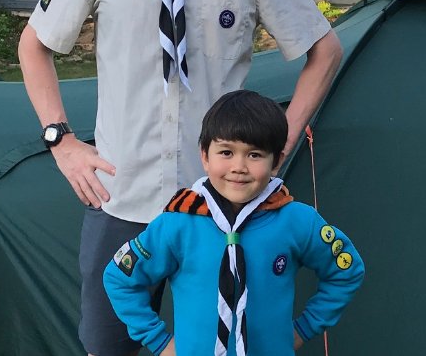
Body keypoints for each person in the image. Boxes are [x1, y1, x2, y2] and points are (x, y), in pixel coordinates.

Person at [17, 0, 343, 356]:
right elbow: (34, 45)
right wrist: (61, 141)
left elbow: (325, 49)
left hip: (221, 207)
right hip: (120, 196)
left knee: (218, 347)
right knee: (107, 347)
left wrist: (281, 138)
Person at [103, 90, 365, 355]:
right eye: (226, 152)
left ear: (277, 161)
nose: (239, 166)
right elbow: (120, 278)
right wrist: (158, 341)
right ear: (205, 156)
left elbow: (346, 270)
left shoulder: (297, 221)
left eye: (255, 155)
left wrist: (305, 328)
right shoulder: (178, 223)